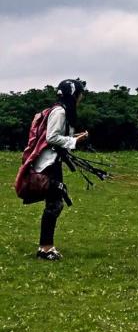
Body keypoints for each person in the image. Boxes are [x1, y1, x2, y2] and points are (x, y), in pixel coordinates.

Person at [29, 79, 89, 260]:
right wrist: (75, 141)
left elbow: (57, 136)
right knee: (55, 204)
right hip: (48, 164)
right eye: (79, 93)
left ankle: (46, 246)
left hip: (53, 163)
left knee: (55, 203)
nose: (81, 97)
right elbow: (52, 137)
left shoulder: (63, 111)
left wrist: (74, 137)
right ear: (73, 94)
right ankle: (45, 248)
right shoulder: (60, 112)